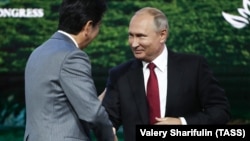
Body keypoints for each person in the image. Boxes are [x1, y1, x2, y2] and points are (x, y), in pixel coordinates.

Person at [101, 7, 231, 141]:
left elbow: (220, 111)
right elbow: (109, 117)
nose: (134, 43)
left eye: (141, 36)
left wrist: (182, 123)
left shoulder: (194, 67)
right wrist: (108, 130)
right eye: (131, 35)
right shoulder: (120, 74)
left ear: (162, 35)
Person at [24, 0, 117, 141]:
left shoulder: (37, 52)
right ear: (88, 26)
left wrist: (92, 100)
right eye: (99, 26)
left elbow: (54, 103)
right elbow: (92, 114)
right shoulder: (72, 56)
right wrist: (110, 137)